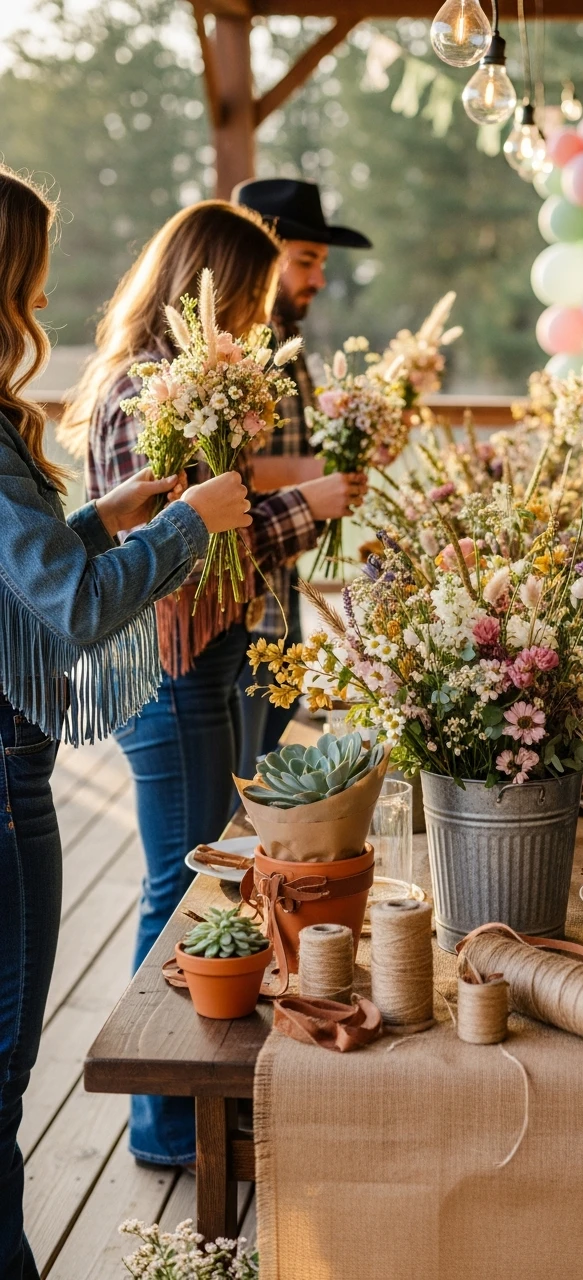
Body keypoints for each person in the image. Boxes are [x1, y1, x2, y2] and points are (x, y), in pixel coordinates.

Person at [60, 200, 363, 1171]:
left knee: (204, 878)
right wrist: (304, 508)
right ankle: (163, 1120)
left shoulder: (180, 381)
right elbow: (180, 557)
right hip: (169, 668)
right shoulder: (146, 389)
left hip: (208, 660)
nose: (258, 314)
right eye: (252, 294)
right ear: (216, 287)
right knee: (178, 888)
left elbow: (216, 534)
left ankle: (197, 1101)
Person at [0, 167, 251, 1280]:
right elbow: (73, 605)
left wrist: (103, 516)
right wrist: (192, 523)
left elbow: (38, 575)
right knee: (5, 1063)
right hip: (6, 774)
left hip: (21, 762)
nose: (42, 308)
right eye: (31, 283)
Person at [232, 178, 373, 776]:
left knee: (263, 770)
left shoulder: (287, 338)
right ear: (261, 253)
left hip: (283, 584)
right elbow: (209, 474)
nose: (317, 278)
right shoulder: (233, 342)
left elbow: (295, 448)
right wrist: (313, 476)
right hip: (240, 594)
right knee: (236, 786)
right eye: (307, 260)